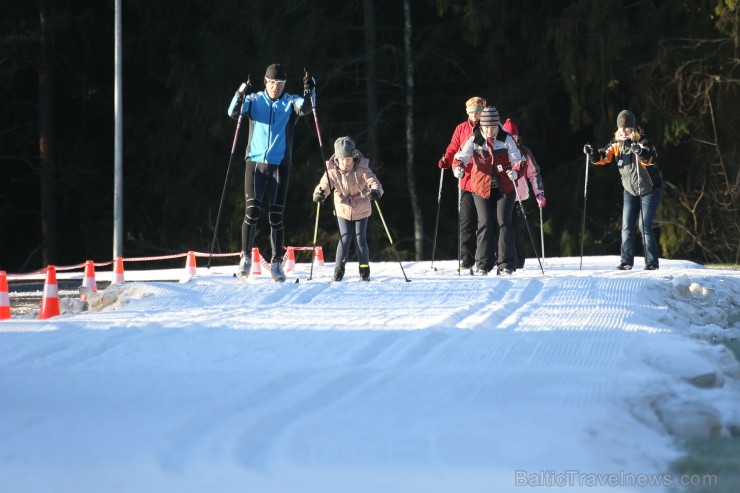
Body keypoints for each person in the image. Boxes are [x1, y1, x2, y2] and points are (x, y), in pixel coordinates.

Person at [227, 63, 314, 281]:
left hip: (280, 165)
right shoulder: (254, 100)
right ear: (265, 82)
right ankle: (245, 258)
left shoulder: (290, 101)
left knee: (276, 215)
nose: (276, 87)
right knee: (252, 211)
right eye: (272, 83)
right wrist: (240, 92)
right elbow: (232, 112)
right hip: (255, 164)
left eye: (280, 83)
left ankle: (276, 264)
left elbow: (306, 108)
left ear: (285, 85)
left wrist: (310, 89)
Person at [584, 109, 663, 270]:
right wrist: (592, 154)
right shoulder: (617, 142)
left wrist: (640, 151)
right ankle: (626, 262)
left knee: (644, 225)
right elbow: (604, 156)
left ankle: (652, 263)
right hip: (630, 190)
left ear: (633, 127)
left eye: (627, 127)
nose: (624, 130)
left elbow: (651, 157)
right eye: (622, 127)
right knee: (626, 226)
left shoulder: (642, 140)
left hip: (650, 189)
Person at [452, 106, 525, 275]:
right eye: (486, 127)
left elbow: (519, 161)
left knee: (504, 222)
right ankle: (483, 265)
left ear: (497, 125)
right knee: (485, 223)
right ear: (481, 126)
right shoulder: (474, 139)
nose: (490, 130)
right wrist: (458, 169)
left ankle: (505, 264)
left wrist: (515, 172)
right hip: (481, 187)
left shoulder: (506, 139)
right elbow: (459, 158)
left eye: (493, 126)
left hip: (505, 187)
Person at [313, 137, 384, 282]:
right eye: (344, 159)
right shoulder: (332, 170)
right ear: (338, 158)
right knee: (345, 237)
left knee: (360, 238)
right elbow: (325, 184)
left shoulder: (362, 168)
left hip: (362, 206)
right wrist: (319, 193)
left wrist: (375, 191)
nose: (347, 163)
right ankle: (338, 272)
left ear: (354, 157)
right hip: (342, 207)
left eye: (350, 159)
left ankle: (364, 272)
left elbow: (373, 181)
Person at [438, 97, 487, 271]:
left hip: (484, 180)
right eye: (472, 112)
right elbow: (453, 148)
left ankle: (486, 256)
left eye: (478, 112)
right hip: (465, 180)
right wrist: (446, 159)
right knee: (466, 221)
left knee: (485, 221)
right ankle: (467, 257)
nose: (475, 116)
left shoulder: (488, 128)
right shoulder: (461, 128)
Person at [501, 119, 546, 269]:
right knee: (504, 228)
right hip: (503, 196)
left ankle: (519, 261)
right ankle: (504, 260)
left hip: (520, 196)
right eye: (508, 136)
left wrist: (539, 193)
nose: (512, 140)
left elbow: (534, 174)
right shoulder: (499, 151)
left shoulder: (524, 152)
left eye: (514, 137)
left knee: (518, 229)